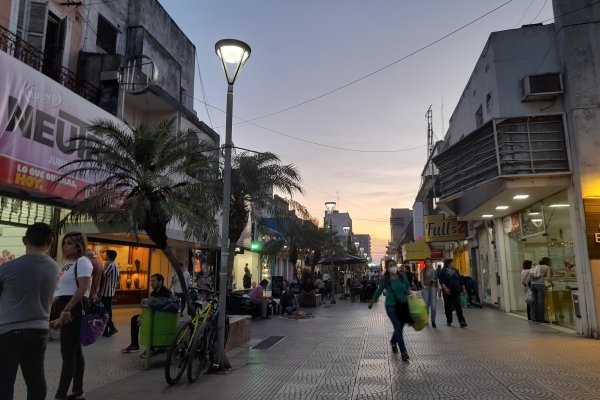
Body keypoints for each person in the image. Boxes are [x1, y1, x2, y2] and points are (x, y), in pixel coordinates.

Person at [0, 223, 58, 400]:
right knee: (35, 379)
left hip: (9, 331)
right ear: (50, 242)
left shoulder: (7, 268)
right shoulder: (54, 267)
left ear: (24, 240)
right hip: (39, 330)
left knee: (4, 381)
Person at [54, 231, 94, 400]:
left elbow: (82, 288)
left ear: (79, 246)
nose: (65, 246)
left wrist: (67, 309)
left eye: (70, 243)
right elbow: (60, 289)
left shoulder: (83, 261)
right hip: (66, 305)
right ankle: (78, 391)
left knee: (68, 352)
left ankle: (60, 395)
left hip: (74, 307)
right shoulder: (67, 263)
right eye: (64, 243)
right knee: (75, 351)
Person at [368, 259, 411, 361]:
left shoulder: (402, 276)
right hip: (391, 305)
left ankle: (393, 341)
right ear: (387, 268)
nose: (392, 266)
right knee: (398, 325)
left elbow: (407, 287)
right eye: (390, 265)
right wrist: (372, 301)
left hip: (402, 305)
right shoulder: (386, 279)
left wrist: (409, 292)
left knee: (399, 327)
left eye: (394, 264)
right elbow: (379, 290)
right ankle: (404, 352)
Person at [122, 274, 172, 354]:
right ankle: (134, 345)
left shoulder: (166, 293)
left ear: (160, 282)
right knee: (135, 319)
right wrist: (142, 316)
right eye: (151, 281)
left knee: (150, 322)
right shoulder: (153, 293)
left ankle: (151, 348)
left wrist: (145, 318)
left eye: (153, 281)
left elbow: (162, 310)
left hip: (161, 318)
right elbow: (147, 306)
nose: (151, 283)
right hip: (151, 316)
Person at [439, 259, 467, 328]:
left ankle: (462, 321)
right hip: (447, 292)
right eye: (452, 263)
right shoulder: (443, 272)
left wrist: (463, 288)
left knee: (458, 306)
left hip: (456, 290)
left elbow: (460, 280)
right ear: (448, 264)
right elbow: (441, 281)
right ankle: (449, 320)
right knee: (448, 306)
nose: (453, 264)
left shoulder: (456, 271)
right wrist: (445, 289)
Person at [100, 250, 120, 337]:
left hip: (106, 291)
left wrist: (104, 266)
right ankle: (107, 328)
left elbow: (103, 274)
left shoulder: (111, 265)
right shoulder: (115, 265)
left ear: (108, 256)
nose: (105, 256)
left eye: (106, 254)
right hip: (110, 291)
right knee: (108, 310)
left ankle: (111, 327)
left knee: (104, 310)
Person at [531, 257, 552, 323]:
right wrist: (551, 283)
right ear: (547, 262)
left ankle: (534, 318)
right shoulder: (547, 267)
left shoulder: (536, 266)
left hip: (533, 285)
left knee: (535, 302)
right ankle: (541, 319)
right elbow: (548, 278)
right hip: (540, 285)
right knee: (540, 303)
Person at [420, 258, 438, 328]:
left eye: (429, 262)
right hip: (426, 288)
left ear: (431, 263)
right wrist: (423, 285)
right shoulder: (423, 271)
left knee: (433, 306)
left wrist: (438, 287)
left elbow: (437, 279)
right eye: (426, 262)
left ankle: (433, 320)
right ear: (425, 263)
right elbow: (421, 279)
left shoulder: (434, 271)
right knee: (426, 305)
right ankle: (426, 320)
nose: (427, 263)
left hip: (433, 288)